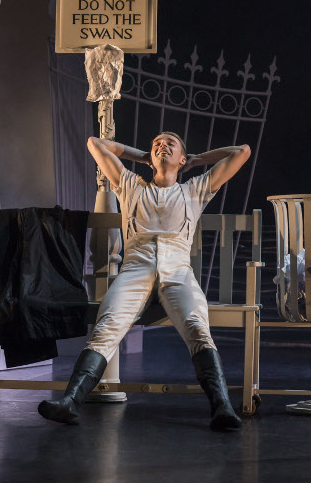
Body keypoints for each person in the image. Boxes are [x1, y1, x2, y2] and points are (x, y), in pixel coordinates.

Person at [38, 131, 251, 430]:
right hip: (135, 269)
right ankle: (70, 402)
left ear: (181, 157)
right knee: (106, 326)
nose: (162, 145)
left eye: (170, 143)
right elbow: (93, 144)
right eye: (156, 144)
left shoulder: (195, 189)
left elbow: (241, 151)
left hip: (177, 272)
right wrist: (143, 157)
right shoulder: (130, 185)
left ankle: (222, 407)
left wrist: (195, 161)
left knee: (197, 326)